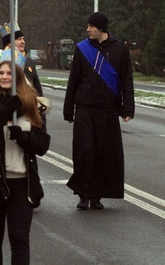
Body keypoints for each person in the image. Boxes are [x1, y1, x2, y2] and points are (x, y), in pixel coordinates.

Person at [0, 60, 50, 264]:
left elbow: (42, 145)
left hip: (23, 183)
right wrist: (5, 111)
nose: (5, 77)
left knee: (20, 239)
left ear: (18, 79)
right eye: (1, 73)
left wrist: (22, 136)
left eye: (10, 74)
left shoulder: (33, 106)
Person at [63, 12, 134, 210]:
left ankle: (96, 195)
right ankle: (83, 194)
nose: (88, 30)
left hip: (108, 110)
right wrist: (69, 110)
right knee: (85, 151)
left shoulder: (120, 50)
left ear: (101, 28)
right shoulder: (82, 49)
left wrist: (128, 108)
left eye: (91, 26)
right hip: (85, 109)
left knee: (104, 154)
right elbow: (73, 81)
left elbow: (126, 81)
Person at [0, 25, 42, 96]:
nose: (23, 42)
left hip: (25, 103)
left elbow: (36, 87)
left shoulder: (28, 61)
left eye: (23, 39)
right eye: (19, 39)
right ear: (9, 42)